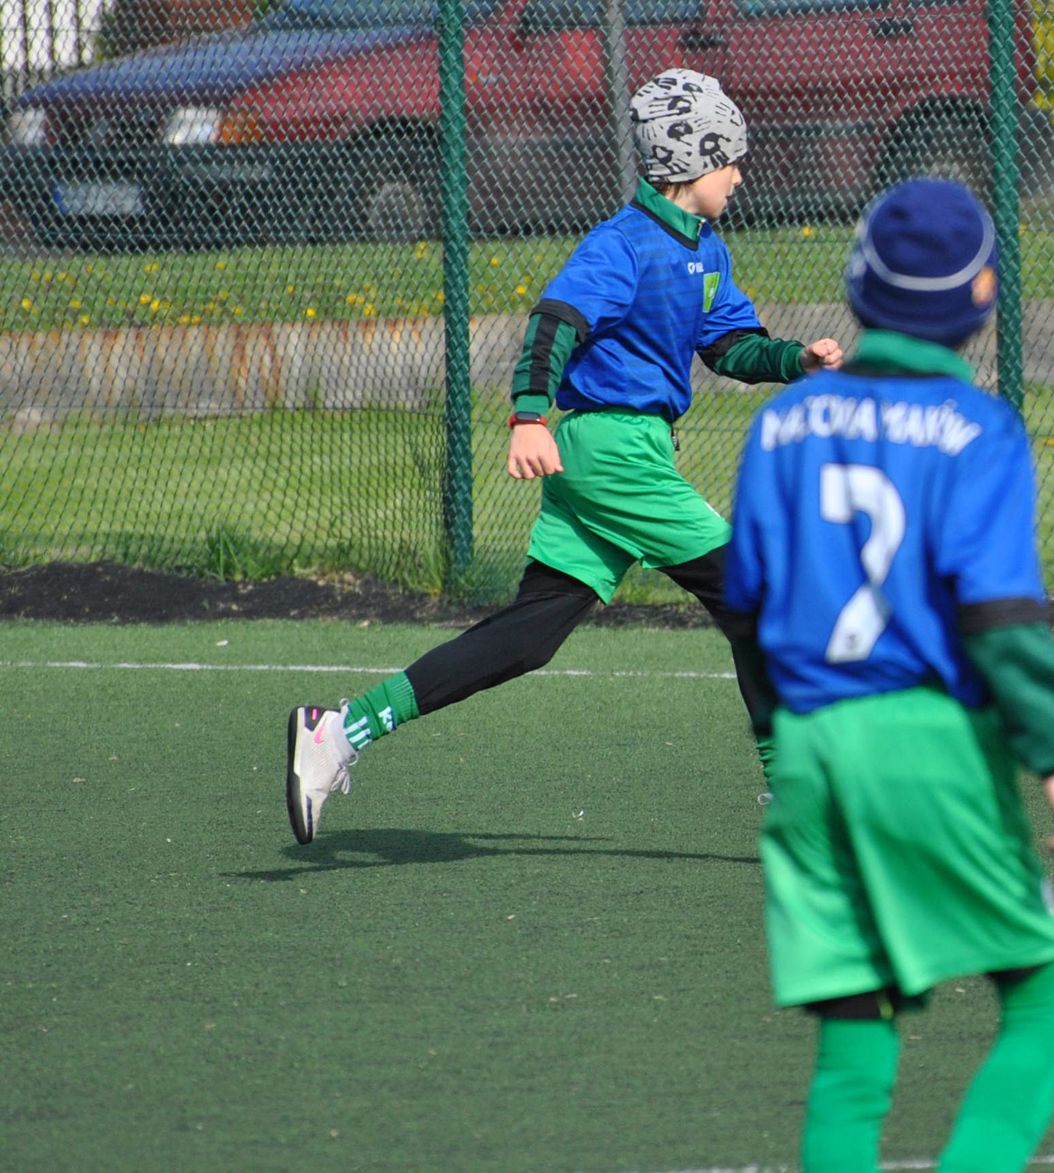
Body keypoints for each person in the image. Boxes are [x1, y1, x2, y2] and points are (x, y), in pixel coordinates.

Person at [284, 69, 842, 844]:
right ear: (690, 160)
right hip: (610, 450)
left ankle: (341, 730)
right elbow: (555, 323)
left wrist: (795, 362)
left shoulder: (706, 248)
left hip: (618, 457)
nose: (740, 174)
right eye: (730, 159)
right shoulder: (621, 244)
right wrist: (527, 417)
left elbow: (728, 343)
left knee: (530, 636)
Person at [723, 178, 1054, 1173]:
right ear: (981, 301)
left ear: (857, 286)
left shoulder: (781, 420)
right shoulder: (978, 429)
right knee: (1042, 1003)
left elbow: (745, 592)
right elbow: (998, 612)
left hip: (812, 749)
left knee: (851, 1058)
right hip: (929, 743)